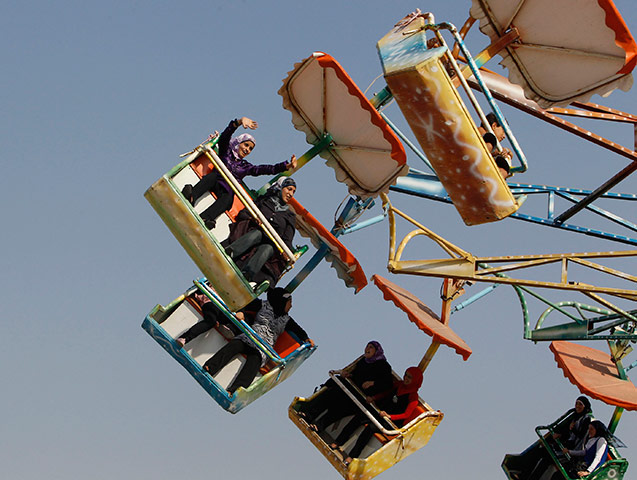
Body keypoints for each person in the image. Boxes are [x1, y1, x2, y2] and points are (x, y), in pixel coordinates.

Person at [182, 116, 297, 229]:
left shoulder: (245, 166)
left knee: (228, 199)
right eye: (246, 145)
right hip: (215, 180)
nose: (247, 150)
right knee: (212, 177)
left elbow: (265, 169)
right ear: (239, 142)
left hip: (226, 190)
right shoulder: (226, 152)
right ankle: (192, 196)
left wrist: (285, 166)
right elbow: (226, 136)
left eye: (250, 149)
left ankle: (206, 218)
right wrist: (239, 122)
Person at [203, 288, 311, 396]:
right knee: (234, 345)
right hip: (250, 337)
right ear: (281, 302)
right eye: (289, 303)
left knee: (254, 362)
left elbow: (299, 331)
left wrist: (306, 339)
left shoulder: (287, 320)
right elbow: (246, 304)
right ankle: (210, 367)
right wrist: (241, 313)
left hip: (264, 348)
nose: (291, 306)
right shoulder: (263, 305)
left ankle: (235, 390)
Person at [331, 367, 424, 465]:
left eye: (410, 377)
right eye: (406, 375)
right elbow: (386, 393)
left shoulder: (413, 397)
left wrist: (390, 417)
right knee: (360, 417)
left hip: (391, 422)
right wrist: (374, 398)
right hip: (381, 413)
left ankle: (352, 456)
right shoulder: (399, 385)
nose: (406, 378)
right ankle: (338, 442)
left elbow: (406, 415)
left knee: (370, 428)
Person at [300, 341, 393, 433]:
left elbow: (387, 385)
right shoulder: (363, 361)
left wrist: (373, 383)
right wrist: (349, 375)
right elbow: (357, 375)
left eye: (371, 347)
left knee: (340, 408)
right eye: (367, 346)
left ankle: (319, 426)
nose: (367, 349)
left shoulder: (384, 366)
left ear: (376, 351)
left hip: (362, 398)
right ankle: (308, 415)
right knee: (329, 395)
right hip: (351, 390)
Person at [223, 177, 297, 286]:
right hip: (253, 232)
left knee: (267, 248)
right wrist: (253, 218)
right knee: (257, 234)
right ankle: (230, 252)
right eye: (289, 189)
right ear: (280, 188)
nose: (291, 194)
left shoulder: (289, 216)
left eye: (293, 192)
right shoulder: (264, 201)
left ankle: (247, 274)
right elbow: (244, 213)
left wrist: (288, 254)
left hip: (270, 244)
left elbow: (287, 240)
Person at [514, 396, 594, 480]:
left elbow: (580, 435)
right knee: (542, 452)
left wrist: (572, 429)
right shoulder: (576, 416)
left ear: (585, 406)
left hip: (572, 450)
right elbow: (568, 430)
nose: (577, 406)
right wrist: (560, 434)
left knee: (546, 456)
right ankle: (525, 475)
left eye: (580, 404)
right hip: (567, 445)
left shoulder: (587, 419)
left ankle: (527, 477)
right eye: (576, 404)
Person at [176, 294, 263, 347]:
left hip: (223, 310)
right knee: (210, 321)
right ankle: (185, 338)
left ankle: (230, 328)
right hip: (212, 302)